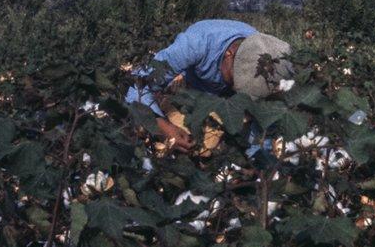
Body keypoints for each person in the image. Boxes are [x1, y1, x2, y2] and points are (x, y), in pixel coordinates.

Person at [125, 19, 294, 151]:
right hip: (192, 90)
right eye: (235, 81)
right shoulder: (196, 44)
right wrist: (165, 128)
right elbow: (136, 85)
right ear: (229, 54)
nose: (236, 88)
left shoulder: (267, 54)